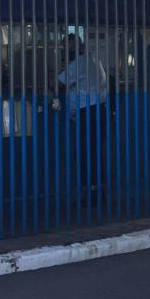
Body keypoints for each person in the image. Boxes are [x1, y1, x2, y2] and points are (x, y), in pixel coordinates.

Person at [56, 34, 108, 205]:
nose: (67, 52)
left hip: (88, 112)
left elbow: (59, 82)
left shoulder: (79, 63)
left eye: (68, 49)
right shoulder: (94, 60)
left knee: (87, 153)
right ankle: (98, 192)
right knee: (95, 152)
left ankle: (90, 194)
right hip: (99, 110)